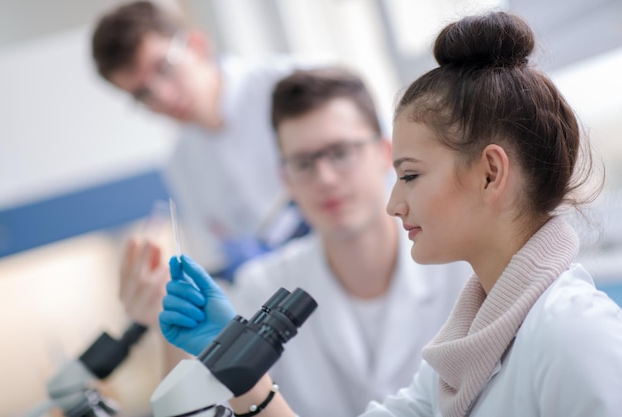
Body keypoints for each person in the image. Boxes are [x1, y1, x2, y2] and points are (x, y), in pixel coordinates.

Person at [159, 11, 622, 417]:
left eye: (412, 176)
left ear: (489, 173)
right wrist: (243, 371)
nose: (392, 204)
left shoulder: (573, 336)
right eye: (303, 162)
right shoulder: (463, 348)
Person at [159, 66, 471, 416]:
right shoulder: (261, 286)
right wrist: (176, 340)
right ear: (285, 179)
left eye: (340, 153)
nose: (324, 178)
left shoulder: (460, 269)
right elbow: (201, 409)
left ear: (386, 153)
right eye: (303, 163)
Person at [91, 0, 318, 287]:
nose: (163, 96)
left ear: (196, 45)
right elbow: (219, 257)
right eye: (142, 94)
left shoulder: (296, 84)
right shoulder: (182, 165)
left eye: (164, 68)